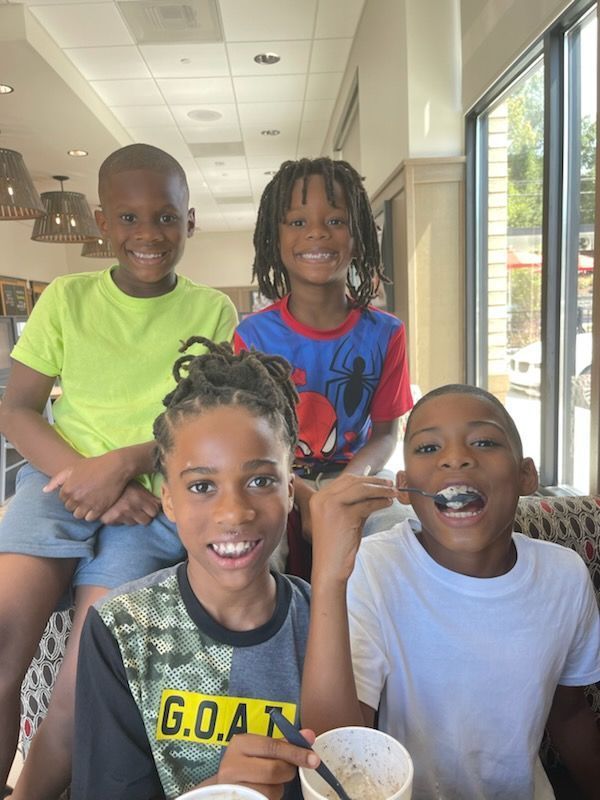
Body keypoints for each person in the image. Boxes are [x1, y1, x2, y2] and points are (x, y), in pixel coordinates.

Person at [0, 144, 238, 800]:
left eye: (164, 217)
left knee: (87, 675)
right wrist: (88, 477)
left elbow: (207, 428)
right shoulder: (67, 300)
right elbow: (17, 410)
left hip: (152, 502)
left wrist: (126, 467)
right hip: (57, 483)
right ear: (102, 222)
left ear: (189, 223)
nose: (147, 234)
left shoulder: (214, 312)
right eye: (128, 218)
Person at [302, 384, 600, 800]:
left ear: (525, 475)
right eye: (427, 448)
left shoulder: (564, 575)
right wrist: (330, 578)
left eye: (484, 441)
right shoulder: (374, 567)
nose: (455, 457)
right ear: (404, 489)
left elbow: (569, 716)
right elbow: (337, 751)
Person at [72, 339, 317, 800]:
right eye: (202, 485)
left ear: (290, 488)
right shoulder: (122, 628)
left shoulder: (325, 621)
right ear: (168, 498)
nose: (234, 512)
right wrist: (219, 789)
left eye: (261, 480)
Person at [234, 157, 413, 567]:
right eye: (297, 222)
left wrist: (342, 488)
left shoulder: (387, 333)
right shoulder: (253, 336)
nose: (316, 231)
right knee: (254, 544)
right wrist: (303, 491)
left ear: (360, 236)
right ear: (273, 239)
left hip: (357, 472)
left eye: (335, 220)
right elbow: (250, 439)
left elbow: (386, 434)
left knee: (398, 533)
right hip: (275, 476)